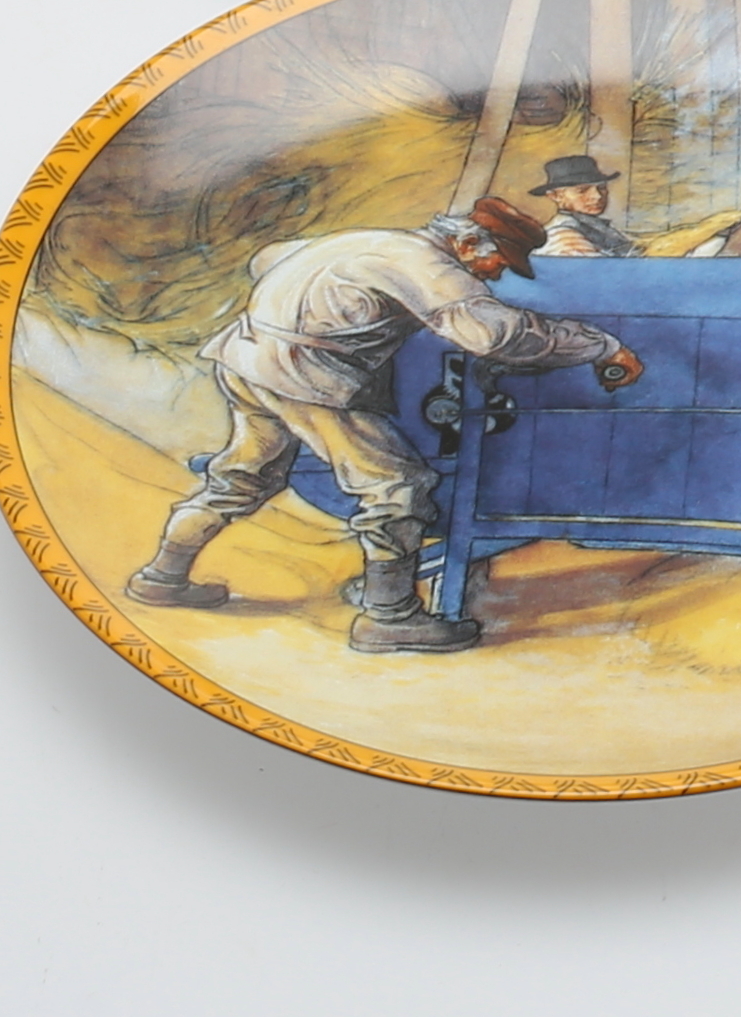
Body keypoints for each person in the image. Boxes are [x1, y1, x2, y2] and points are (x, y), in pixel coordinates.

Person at [123, 197, 640, 652]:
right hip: (305, 375)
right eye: (496, 262)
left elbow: (268, 258)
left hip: (246, 357)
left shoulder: (376, 242)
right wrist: (599, 345)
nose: (493, 275)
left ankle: (162, 575)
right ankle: (389, 618)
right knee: (396, 487)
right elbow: (492, 335)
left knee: (245, 473)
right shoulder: (427, 264)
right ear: (468, 243)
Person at [530, 154, 643, 258]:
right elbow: (602, 270)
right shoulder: (563, 235)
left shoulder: (599, 228)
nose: (597, 196)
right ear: (555, 196)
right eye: (582, 190)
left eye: (602, 188)